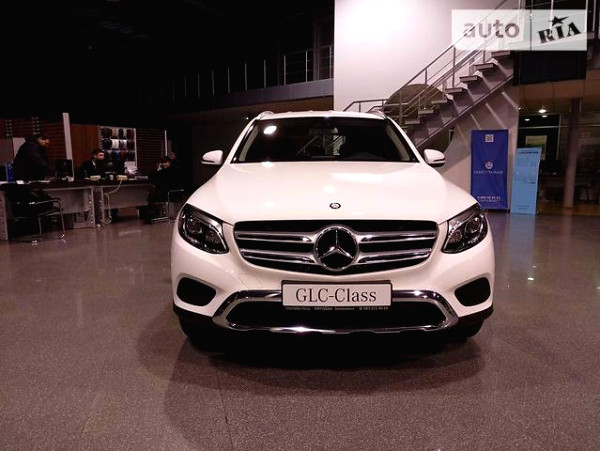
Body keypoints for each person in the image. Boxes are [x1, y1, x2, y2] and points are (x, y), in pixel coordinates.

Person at [141, 155, 183, 223]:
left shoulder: (171, 170)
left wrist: (158, 170)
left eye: (165, 162)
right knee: (152, 192)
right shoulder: (167, 170)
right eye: (163, 163)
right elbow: (154, 178)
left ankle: (150, 214)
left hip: (171, 193)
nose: (164, 164)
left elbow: (153, 177)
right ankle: (150, 213)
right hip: (167, 191)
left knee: (152, 193)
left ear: (169, 162)